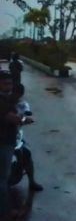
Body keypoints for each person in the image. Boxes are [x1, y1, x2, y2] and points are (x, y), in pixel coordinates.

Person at [0, 71, 21, 220]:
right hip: (4, 142)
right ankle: (5, 212)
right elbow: (12, 118)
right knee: (2, 180)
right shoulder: (2, 100)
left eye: (10, 83)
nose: (9, 86)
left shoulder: (7, 98)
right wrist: (23, 119)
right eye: (6, 83)